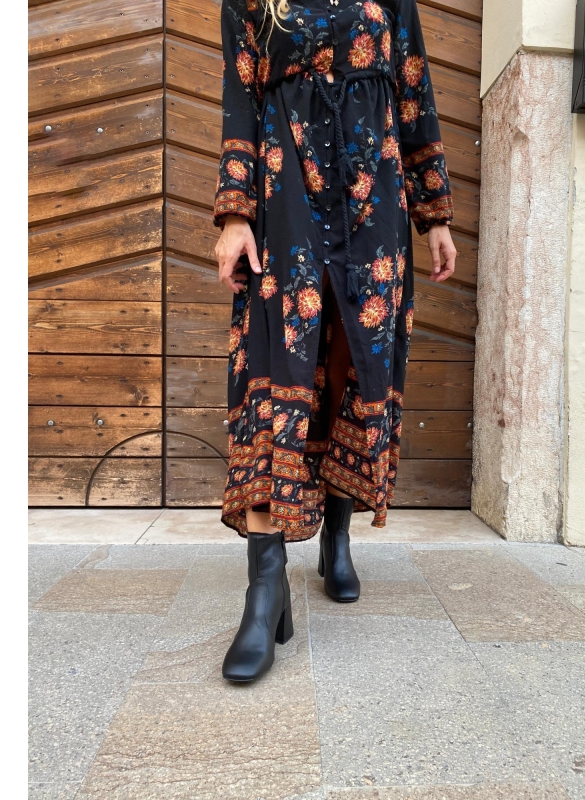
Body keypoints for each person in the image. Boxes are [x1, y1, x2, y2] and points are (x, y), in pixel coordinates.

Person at [213, 0, 456, 682]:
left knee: (355, 360)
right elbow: (239, 99)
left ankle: (338, 535)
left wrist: (434, 211)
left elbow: (413, 89)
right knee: (276, 367)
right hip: (283, 190)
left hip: (374, 195)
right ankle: (265, 589)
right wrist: (234, 214)